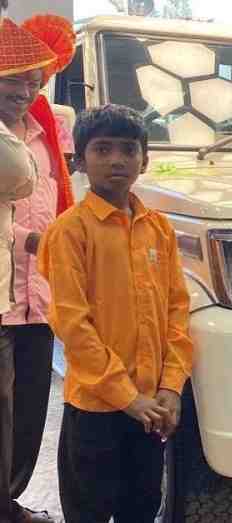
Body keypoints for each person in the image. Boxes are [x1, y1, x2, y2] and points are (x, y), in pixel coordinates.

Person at [37, 104, 194, 523]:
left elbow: (178, 310)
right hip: (95, 409)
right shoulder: (70, 231)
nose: (116, 160)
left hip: (150, 410)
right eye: (102, 149)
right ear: (80, 160)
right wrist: (128, 398)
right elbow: (72, 324)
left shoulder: (158, 228)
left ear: (145, 159)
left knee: (141, 508)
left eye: (128, 149)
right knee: (88, 511)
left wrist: (172, 385)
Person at [0, 13, 80, 523]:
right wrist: (28, 240)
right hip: (2, 295)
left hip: (39, 296)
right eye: (15, 81)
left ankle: (8, 502)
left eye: (34, 81)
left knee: (30, 410)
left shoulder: (45, 129)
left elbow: (60, 203)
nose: (26, 92)